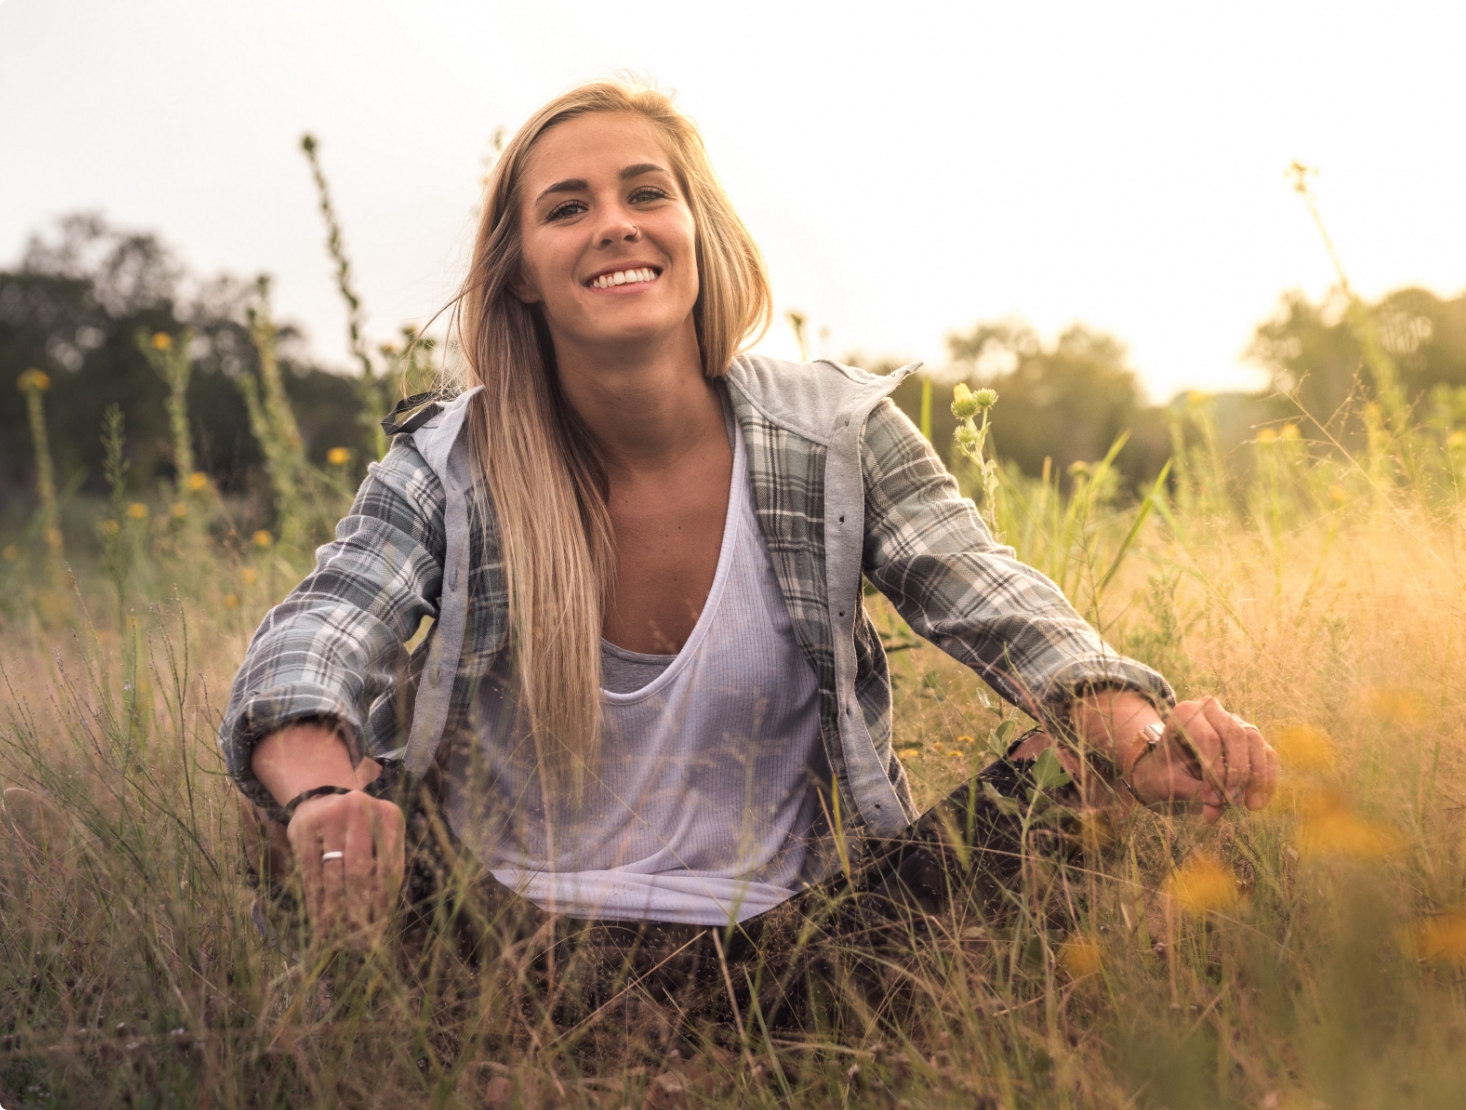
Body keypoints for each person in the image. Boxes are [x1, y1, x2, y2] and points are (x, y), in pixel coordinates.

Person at [221, 80, 1276, 1027]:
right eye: (567, 207)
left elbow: (997, 606)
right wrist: (323, 796)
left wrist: (1141, 735)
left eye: (646, 193)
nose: (614, 226)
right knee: (295, 805)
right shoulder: (448, 461)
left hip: (808, 950)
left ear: (696, 231)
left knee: (1076, 776)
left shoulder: (835, 434)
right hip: (493, 946)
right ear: (523, 273)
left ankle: (769, 1047)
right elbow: (321, 632)